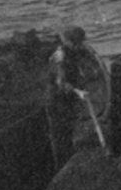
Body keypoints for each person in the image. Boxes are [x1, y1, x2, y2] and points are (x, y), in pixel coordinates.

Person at [45, 26, 109, 171]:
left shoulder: (74, 51)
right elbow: (61, 83)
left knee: (70, 130)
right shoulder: (60, 58)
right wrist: (77, 91)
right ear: (71, 43)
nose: (82, 45)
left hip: (68, 100)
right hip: (57, 102)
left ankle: (69, 160)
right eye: (79, 42)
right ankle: (61, 167)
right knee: (60, 136)